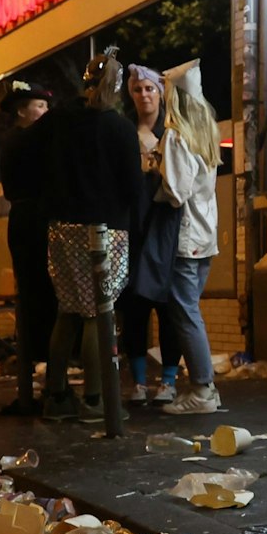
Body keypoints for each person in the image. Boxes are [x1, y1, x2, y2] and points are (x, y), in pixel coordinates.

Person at [36, 47, 145, 422]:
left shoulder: (58, 122)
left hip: (61, 227)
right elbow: (133, 187)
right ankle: (96, 400)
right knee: (99, 314)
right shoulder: (118, 128)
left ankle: (56, 395)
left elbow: (28, 158)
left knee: (67, 311)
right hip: (106, 229)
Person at [157, 65, 224, 415]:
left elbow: (176, 191)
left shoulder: (176, 135)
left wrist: (155, 182)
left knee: (185, 314)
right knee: (189, 310)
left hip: (185, 237)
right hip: (205, 235)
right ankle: (204, 387)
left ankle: (202, 388)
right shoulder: (207, 132)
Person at [117, 64, 182, 407]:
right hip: (135, 229)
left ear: (160, 93)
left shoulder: (172, 130)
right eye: (138, 89)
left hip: (165, 227)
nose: (144, 95)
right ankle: (139, 381)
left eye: (150, 89)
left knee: (168, 308)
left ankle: (169, 379)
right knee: (135, 309)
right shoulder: (125, 133)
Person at [0, 83, 55, 415]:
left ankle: (38, 373)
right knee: (39, 296)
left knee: (35, 297)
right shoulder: (28, 142)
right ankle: (43, 370)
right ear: (22, 111)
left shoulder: (16, 142)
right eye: (39, 107)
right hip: (34, 222)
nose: (44, 114)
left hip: (25, 220)